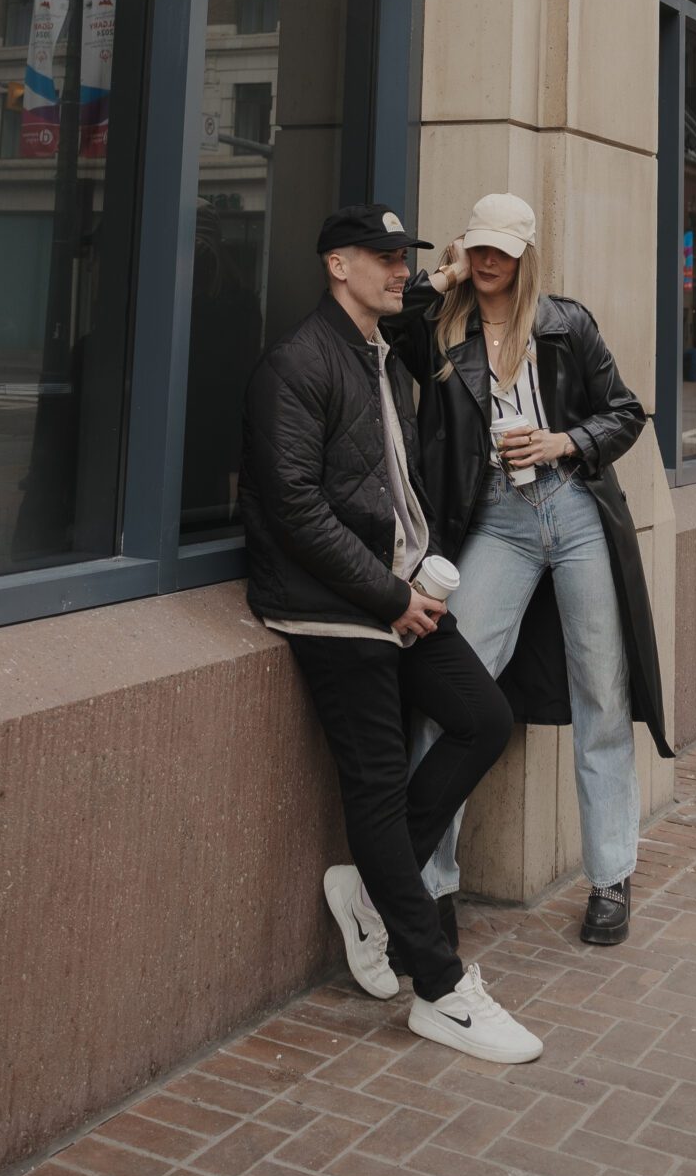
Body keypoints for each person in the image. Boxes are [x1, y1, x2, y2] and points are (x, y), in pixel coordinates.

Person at [239, 202, 543, 1064]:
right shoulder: (296, 365)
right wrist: (384, 597)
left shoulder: (378, 350)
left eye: (401, 256)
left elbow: (423, 306)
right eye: (378, 257)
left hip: (398, 591)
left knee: (482, 718)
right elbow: (296, 507)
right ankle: (440, 991)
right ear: (337, 265)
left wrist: (408, 583)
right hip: (334, 604)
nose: (396, 269)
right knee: (374, 781)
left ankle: (374, 890)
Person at [394, 193, 673, 949]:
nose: (488, 263)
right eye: (477, 248)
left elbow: (624, 410)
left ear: (524, 256)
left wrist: (561, 443)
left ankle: (610, 878)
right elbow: (388, 319)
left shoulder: (563, 324)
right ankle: (429, 882)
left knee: (601, 696)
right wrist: (441, 277)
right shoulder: (440, 328)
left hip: (575, 513)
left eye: (500, 252)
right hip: (495, 522)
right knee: (454, 689)